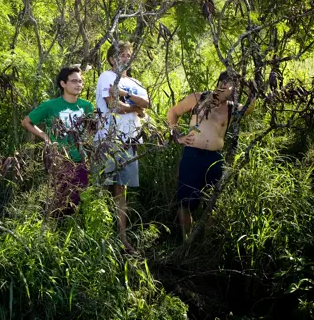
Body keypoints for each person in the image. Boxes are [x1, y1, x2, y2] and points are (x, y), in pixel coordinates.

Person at [166, 71, 255, 239]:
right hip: (192, 155)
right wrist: (178, 136)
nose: (229, 89)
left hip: (214, 159)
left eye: (233, 87)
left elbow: (249, 108)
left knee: (211, 203)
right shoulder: (198, 98)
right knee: (185, 202)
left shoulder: (231, 107)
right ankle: (187, 242)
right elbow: (173, 113)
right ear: (220, 83)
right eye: (227, 85)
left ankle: (206, 244)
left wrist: (252, 91)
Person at [95, 42, 149, 253]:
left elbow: (146, 103)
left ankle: (122, 238)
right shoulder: (107, 76)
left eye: (129, 55)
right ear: (112, 59)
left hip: (131, 141)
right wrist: (135, 107)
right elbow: (113, 105)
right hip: (109, 139)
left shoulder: (135, 81)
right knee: (103, 186)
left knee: (121, 190)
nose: (127, 58)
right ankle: (98, 236)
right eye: (122, 55)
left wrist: (126, 96)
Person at [21, 66, 94, 217]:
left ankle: (74, 232)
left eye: (80, 81)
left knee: (80, 199)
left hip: (80, 159)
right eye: (74, 81)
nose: (78, 84)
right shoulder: (50, 106)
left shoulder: (86, 106)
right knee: (59, 201)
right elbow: (26, 122)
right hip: (59, 159)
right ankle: (56, 233)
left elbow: (91, 129)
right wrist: (46, 137)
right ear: (63, 84)